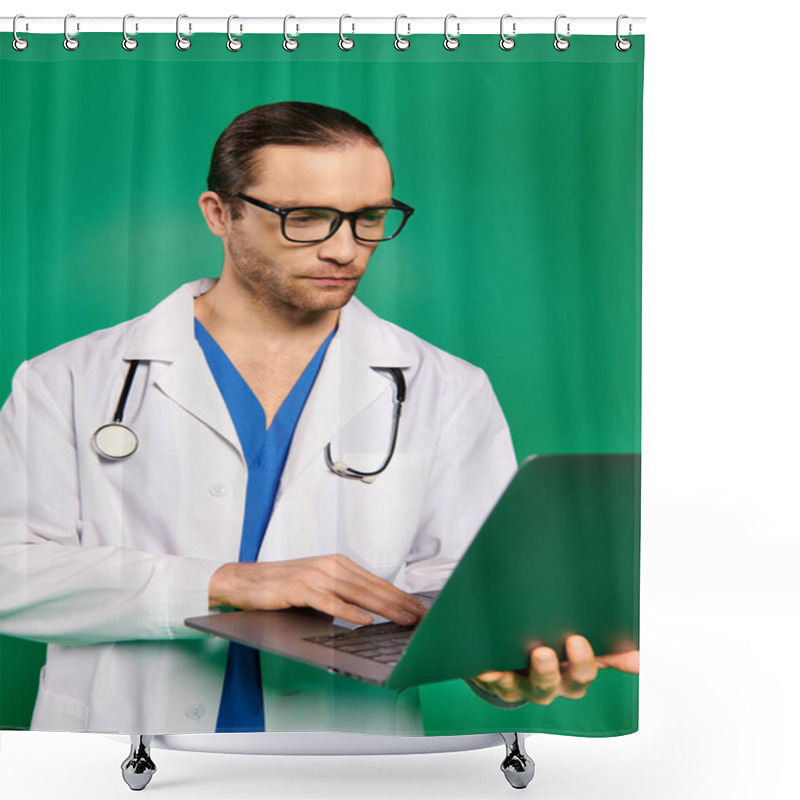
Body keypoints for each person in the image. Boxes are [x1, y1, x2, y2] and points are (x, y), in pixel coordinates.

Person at [0, 102, 637, 735]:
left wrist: (497, 661)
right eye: (306, 218)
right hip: (124, 743)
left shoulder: (447, 388)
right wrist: (220, 584)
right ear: (219, 214)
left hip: (343, 755)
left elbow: (462, 587)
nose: (344, 249)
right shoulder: (69, 380)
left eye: (368, 219)